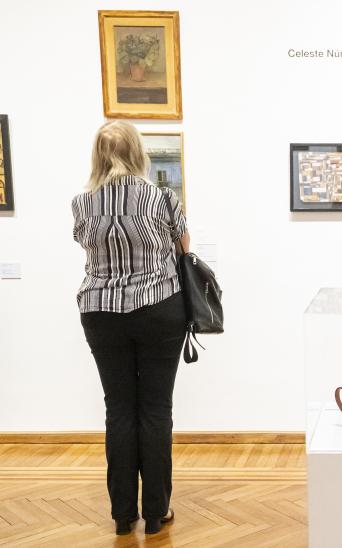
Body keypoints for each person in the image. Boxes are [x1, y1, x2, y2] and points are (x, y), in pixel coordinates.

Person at [72, 121, 190, 535]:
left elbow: (86, 245)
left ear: (97, 156)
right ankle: (157, 512)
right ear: (138, 153)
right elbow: (183, 249)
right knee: (156, 410)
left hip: (100, 311)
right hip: (160, 306)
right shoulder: (162, 197)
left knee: (119, 409)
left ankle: (123, 515)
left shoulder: (82, 203)